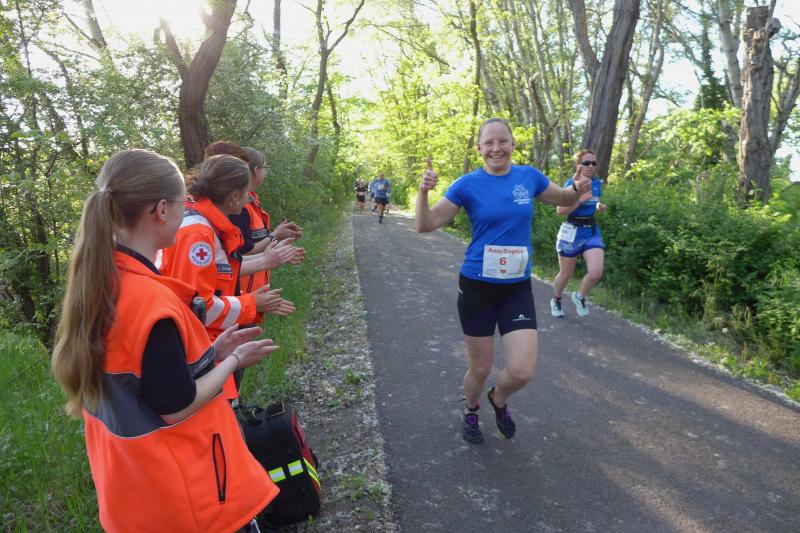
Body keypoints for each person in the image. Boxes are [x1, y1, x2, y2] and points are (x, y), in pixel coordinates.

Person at [51, 149, 280, 532]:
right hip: (182, 501)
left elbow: (148, 378)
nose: (185, 212)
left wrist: (212, 353)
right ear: (160, 210)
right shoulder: (152, 301)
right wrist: (234, 360)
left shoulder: (102, 284)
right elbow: (176, 406)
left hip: (131, 493)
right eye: (180, 205)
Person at [415, 118, 591, 444]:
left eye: (502, 141)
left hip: (515, 288)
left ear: (512, 144)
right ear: (479, 148)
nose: (496, 148)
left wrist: (577, 190)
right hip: (477, 288)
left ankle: (498, 398)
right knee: (480, 369)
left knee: (522, 371)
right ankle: (471, 409)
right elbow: (425, 224)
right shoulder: (467, 184)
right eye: (489, 143)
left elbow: (565, 199)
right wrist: (423, 192)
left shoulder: (529, 177)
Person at [550, 149, 607, 318]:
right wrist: (580, 199)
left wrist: (598, 206)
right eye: (586, 163)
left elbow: (593, 201)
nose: (591, 166)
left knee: (596, 271)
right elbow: (560, 211)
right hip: (572, 231)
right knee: (566, 273)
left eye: (594, 163)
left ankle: (580, 296)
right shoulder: (571, 183)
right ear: (579, 165)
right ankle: (556, 299)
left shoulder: (596, 183)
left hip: (591, 230)